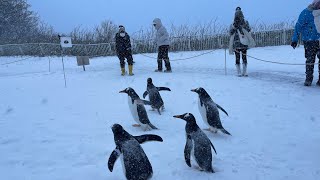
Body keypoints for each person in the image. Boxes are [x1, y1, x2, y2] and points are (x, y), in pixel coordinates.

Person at [291, 0, 320, 86]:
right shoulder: (306, 13)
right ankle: (309, 78)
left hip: (319, 40)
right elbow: (298, 26)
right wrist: (294, 40)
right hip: (309, 41)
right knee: (310, 60)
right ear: (314, 3)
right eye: (318, 3)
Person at [229, 7, 253, 77]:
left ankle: (243, 72)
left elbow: (248, 30)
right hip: (238, 43)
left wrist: (241, 27)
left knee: (242, 57)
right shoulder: (233, 24)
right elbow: (230, 32)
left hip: (242, 42)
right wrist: (235, 27)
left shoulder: (245, 22)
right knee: (240, 57)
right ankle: (240, 72)